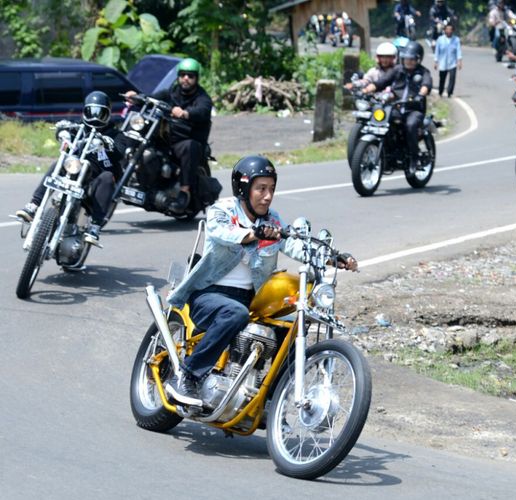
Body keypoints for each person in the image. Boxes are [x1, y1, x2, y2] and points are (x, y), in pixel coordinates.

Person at [165, 155, 358, 406]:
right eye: (261, 189)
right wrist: (251, 234)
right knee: (235, 313)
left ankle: (269, 399)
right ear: (244, 189)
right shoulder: (222, 210)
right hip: (209, 294)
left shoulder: (273, 220)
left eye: (272, 189)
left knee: (292, 324)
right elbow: (222, 233)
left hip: (249, 299)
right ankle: (188, 376)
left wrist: (334, 258)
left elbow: (295, 245)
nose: (267, 196)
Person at [15, 91, 122, 244]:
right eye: (91, 112)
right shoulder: (79, 127)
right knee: (61, 161)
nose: (95, 117)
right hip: (75, 173)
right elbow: (65, 130)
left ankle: (95, 227)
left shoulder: (116, 134)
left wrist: (108, 144)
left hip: (95, 186)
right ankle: (33, 205)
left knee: (107, 177)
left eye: (101, 113)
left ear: (108, 114)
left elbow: (122, 150)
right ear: (85, 111)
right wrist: (62, 130)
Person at [125, 57, 213, 213]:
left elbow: (203, 110)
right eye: (183, 75)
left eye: (190, 76)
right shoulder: (170, 93)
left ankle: (184, 191)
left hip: (186, 139)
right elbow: (152, 98)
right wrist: (136, 97)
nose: (186, 78)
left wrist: (186, 113)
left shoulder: (202, 97)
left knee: (189, 147)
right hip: (166, 138)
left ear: (196, 78)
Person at [364, 41, 433, 174]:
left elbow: (426, 85)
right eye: (406, 58)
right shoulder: (397, 70)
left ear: (418, 59)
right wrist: (366, 91)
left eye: (412, 59)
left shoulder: (423, 72)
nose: (409, 61)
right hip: (396, 106)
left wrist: (420, 95)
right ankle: (388, 152)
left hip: (414, 109)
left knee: (410, 125)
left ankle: (414, 158)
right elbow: (381, 83)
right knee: (383, 120)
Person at [434, 23, 462, 97]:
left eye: (450, 29)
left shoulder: (456, 40)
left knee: (452, 78)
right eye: (447, 29)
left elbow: (458, 51)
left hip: (452, 63)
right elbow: (437, 51)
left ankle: (449, 92)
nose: (449, 31)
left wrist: (459, 61)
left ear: (453, 31)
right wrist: (436, 62)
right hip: (443, 63)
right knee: (442, 78)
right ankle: (440, 92)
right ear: (445, 30)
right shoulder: (440, 39)